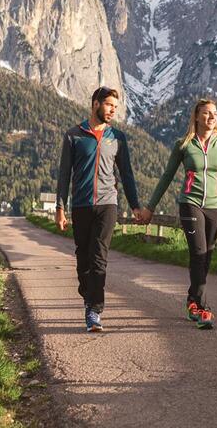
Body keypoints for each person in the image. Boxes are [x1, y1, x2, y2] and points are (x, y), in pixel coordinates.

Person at [138, 98, 217, 330]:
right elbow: (166, 177)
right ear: (196, 117)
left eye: (214, 113)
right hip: (190, 203)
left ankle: (192, 299)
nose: (211, 117)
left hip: (215, 206)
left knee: (207, 256)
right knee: (199, 251)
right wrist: (150, 208)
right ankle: (203, 309)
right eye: (206, 113)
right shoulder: (184, 145)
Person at [56, 86, 143, 332]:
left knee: (98, 257)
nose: (112, 111)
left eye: (115, 108)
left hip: (108, 204)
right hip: (81, 205)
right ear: (95, 104)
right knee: (83, 257)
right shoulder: (74, 135)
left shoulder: (117, 138)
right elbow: (64, 174)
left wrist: (135, 205)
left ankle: (95, 310)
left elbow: (126, 174)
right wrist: (60, 207)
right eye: (108, 106)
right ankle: (88, 293)